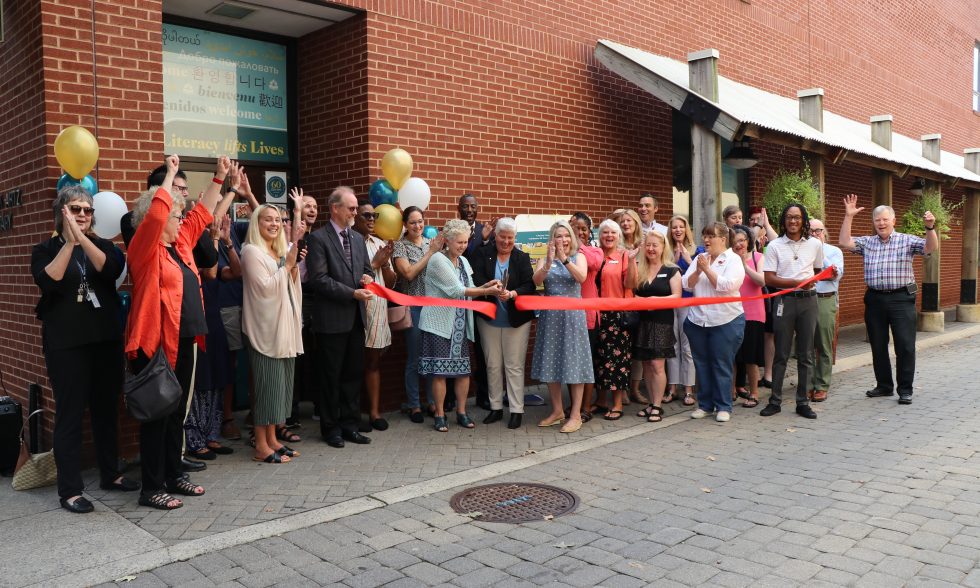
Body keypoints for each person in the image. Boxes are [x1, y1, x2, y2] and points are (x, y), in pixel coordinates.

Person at [126, 154, 225, 509]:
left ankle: (171, 475)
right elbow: (156, 213)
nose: (180, 219)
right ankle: (150, 488)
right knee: (157, 417)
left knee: (176, 413)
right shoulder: (144, 248)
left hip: (186, 341)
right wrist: (169, 174)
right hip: (155, 344)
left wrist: (219, 179)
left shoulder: (179, 245)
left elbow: (201, 215)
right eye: (174, 214)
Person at [31, 186, 134, 513]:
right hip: (67, 346)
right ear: (61, 212)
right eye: (75, 209)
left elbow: (111, 269)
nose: (83, 215)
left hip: (104, 341)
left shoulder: (104, 245)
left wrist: (83, 239)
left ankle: (111, 474)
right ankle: (70, 490)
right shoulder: (45, 249)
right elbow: (51, 280)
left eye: (87, 210)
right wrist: (70, 242)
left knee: (106, 411)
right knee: (70, 414)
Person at [839, 193, 936, 405]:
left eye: (885, 219)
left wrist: (930, 228)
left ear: (893, 221)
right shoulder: (868, 243)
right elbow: (844, 242)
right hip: (874, 299)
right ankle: (884, 386)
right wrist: (848, 216)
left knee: (905, 345)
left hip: (901, 298)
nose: (881, 223)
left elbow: (930, 248)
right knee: (878, 344)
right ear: (873, 223)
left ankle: (905, 389)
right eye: (877, 220)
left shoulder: (906, 240)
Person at [305, 186, 375, 448]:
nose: (356, 213)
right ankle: (331, 428)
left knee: (352, 375)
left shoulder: (357, 239)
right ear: (335, 208)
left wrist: (367, 279)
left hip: (355, 319)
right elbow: (319, 280)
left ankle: (350, 425)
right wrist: (352, 294)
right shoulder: (319, 239)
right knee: (330, 377)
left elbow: (367, 270)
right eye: (352, 208)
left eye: (356, 208)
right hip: (331, 320)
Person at [418, 219, 502, 432]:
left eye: (465, 242)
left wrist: (487, 285)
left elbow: (470, 287)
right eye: (459, 242)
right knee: (440, 372)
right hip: (439, 324)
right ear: (447, 241)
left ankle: (461, 412)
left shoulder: (463, 262)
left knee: (462, 371)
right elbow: (456, 291)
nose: (463, 246)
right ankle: (439, 414)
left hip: (459, 325)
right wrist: (486, 292)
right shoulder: (437, 259)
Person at [241, 201, 305, 463]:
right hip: (264, 329)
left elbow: (289, 282)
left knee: (280, 386)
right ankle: (261, 445)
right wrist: (288, 263)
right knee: (267, 387)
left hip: (284, 328)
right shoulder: (251, 251)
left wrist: (290, 266)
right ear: (257, 223)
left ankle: (272, 439)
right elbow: (265, 289)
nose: (274, 224)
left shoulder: (276, 249)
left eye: (278, 220)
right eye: (268, 219)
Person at [760, 203, 824, 420]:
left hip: (808, 302)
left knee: (806, 354)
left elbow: (816, 271)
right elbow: (769, 278)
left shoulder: (815, 244)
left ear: (804, 220)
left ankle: (802, 402)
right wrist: (797, 283)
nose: (793, 221)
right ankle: (774, 400)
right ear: (783, 220)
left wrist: (805, 284)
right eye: (789, 217)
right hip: (783, 302)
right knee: (781, 353)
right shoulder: (775, 245)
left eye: (797, 217)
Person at [471, 218, 536, 429]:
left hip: (516, 321)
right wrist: (491, 287)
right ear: (495, 236)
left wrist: (513, 293)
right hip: (488, 318)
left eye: (510, 238)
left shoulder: (522, 257)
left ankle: (516, 410)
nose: (506, 242)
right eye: (502, 237)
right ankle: (496, 407)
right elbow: (476, 279)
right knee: (492, 365)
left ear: (514, 238)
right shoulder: (482, 254)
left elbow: (530, 285)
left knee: (514, 366)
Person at [531, 220, 593, 433]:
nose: (563, 240)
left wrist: (565, 259)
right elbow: (536, 280)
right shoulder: (543, 258)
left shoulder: (579, 257)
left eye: (566, 236)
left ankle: (575, 415)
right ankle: (557, 411)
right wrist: (548, 263)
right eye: (559, 236)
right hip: (550, 317)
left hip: (572, 318)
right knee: (551, 363)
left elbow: (581, 277)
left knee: (574, 364)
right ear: (552, 239)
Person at [682, 222, 745, 422]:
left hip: (725, 320)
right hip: (698, 321)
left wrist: (707, 270)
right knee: (701, 363)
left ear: (723, 239)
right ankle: (706, 405)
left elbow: (727, 286)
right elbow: (686, 284)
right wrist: (698, 270)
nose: (706, 240)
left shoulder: (733, 259)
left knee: (721, 363)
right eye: (705, 236)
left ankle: (724, 406)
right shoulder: (701, 259)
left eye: (711, 236)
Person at [392, 206, 445, 422]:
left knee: (431, 357)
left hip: (432, 307)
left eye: (421, 221)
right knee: (415, 358)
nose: (418, 226)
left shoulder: (428, 244)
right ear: (405, 224)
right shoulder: (400, 247)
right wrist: (431, 253)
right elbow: (408, 273)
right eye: (413, 222)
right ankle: (414, 404)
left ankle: (432, 402)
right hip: (413, 307)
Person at [354, 201, 396, 431]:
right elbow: (349, 278)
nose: (371, 220)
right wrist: (374, 263)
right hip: (357, 312)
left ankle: (374, 413)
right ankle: (354, 413)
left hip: (378, 312)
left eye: (375, 216)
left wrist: (386, 264)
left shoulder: (379, 243)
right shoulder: (349, 242)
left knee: (373, 362)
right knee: (353, 365)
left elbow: (390, 283)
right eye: (366, 215)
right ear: (356, 218)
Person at [632, 230, 681, 423]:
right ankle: (652, 403)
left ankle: (658, 406)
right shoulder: (639, 268)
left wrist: (655, 300)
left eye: (655, 245)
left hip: (662, 323)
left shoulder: (672, 269)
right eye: (648, 245)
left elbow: (677, 297)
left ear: (663, 248)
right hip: (642, 323)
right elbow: (631, 293)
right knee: (646, 365)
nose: (651, 249)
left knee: (657, 365)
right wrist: (640, 300)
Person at [594, 219, 637, 420]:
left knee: (616, 360)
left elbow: (631, 283)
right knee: (599, 359)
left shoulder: (624, 255)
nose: (609, 236)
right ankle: (601, 400)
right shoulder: (594, 255)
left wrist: (633, 263)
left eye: (613, 232)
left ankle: (617, 404)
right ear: (599, 235)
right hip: (594, 313)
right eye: (605, 232)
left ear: (618, 236)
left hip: (617, 315)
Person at [458, 193, 495, 410]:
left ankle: (483, 395)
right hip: (459, 297)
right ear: (459, 208)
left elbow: (486, 258)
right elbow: (461, 255)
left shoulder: (484, 230)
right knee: (457, 346)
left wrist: (486, 239)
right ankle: (453, 398)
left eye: (473, 206)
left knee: (482, 349)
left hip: (480, 296)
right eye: (466, 206)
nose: (470, 210)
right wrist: (479, 240)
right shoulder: (452, 229)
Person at [570, 212, 603, 422]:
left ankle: (586, 406)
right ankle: (574, 403)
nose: (580, 232)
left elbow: (594, 264)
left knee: (587, 362)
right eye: (575, 228)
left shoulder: (594, 250)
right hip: (568, 316)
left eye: (583, 228)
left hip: (589, 316)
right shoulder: (562, 253)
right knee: (571, 361)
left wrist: (575, 244)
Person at [807, 218, 844, 403]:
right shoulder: (801, 250)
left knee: (823, 344)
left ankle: (821, 386)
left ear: (824, 232)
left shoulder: (834, 251)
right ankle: (808, 384)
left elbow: (835, 275)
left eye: (818, 231)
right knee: (806, 344)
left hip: (824, 299)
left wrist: (820, 251)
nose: (814, 234)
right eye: (811, 231)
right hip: (805, 299)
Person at [731, 224, 765, 408]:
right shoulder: (728, 260)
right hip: (732, 313)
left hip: (753, 314)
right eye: (735, 241)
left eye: (742, 240)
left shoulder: (758, 257)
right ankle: (731, 391)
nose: (739, 245)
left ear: (748, 241)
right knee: (733, 357)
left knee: (751, 358)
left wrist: (745, 266)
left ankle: (754, 393)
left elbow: (761, 280)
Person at [667, 215, 696, 406]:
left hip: (688, 303)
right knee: (672, 347)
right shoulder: (666, 251)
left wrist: (688, 259)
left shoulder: (697, 250)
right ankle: (672, 388)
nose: (678, 230)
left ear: (686, 229)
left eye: (681, 227)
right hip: (669, 303)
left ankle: (688, 390)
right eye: (674, 227)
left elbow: (697, 279)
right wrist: (673, 261)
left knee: (687, 348)